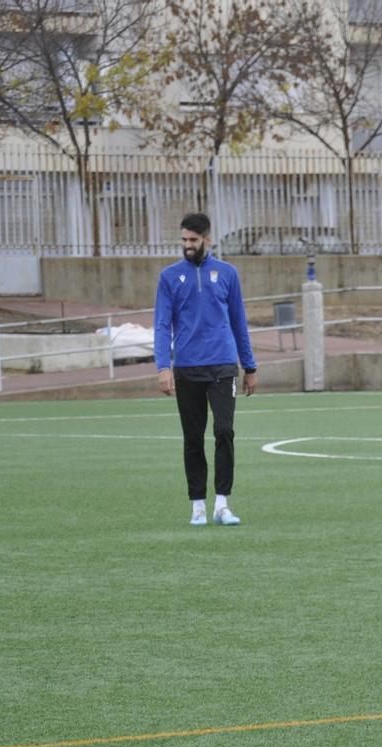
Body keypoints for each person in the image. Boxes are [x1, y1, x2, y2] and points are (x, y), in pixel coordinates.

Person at [154, 212, 258, 526]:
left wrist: (249, 366)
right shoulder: (169, 277)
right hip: (187, 368)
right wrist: (163, 366)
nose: (187, 245)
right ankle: (198, 504)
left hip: (223, 365)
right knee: (193, 438)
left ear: (207, 239)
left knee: (224, 431)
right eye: (184, 240)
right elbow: (161, 325)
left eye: (193, 240)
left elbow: (239, 321)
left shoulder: (227, 273)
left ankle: (222, 504)